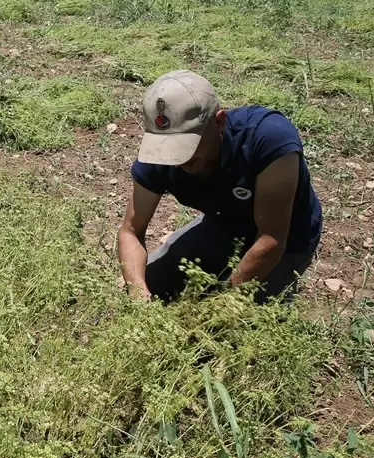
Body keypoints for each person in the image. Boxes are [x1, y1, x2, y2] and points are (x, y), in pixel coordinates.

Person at [117, 70, 323, 304]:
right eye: (167, 145)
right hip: (223, 225)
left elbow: (271, 238)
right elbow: (131, 231)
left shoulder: (267, 139)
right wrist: (138, 293)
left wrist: (220, 305)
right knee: (144, 283)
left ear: (219, 122)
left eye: (185, 144)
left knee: (235, 326)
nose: (178, 159)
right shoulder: (159, 157)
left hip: (286, 239)